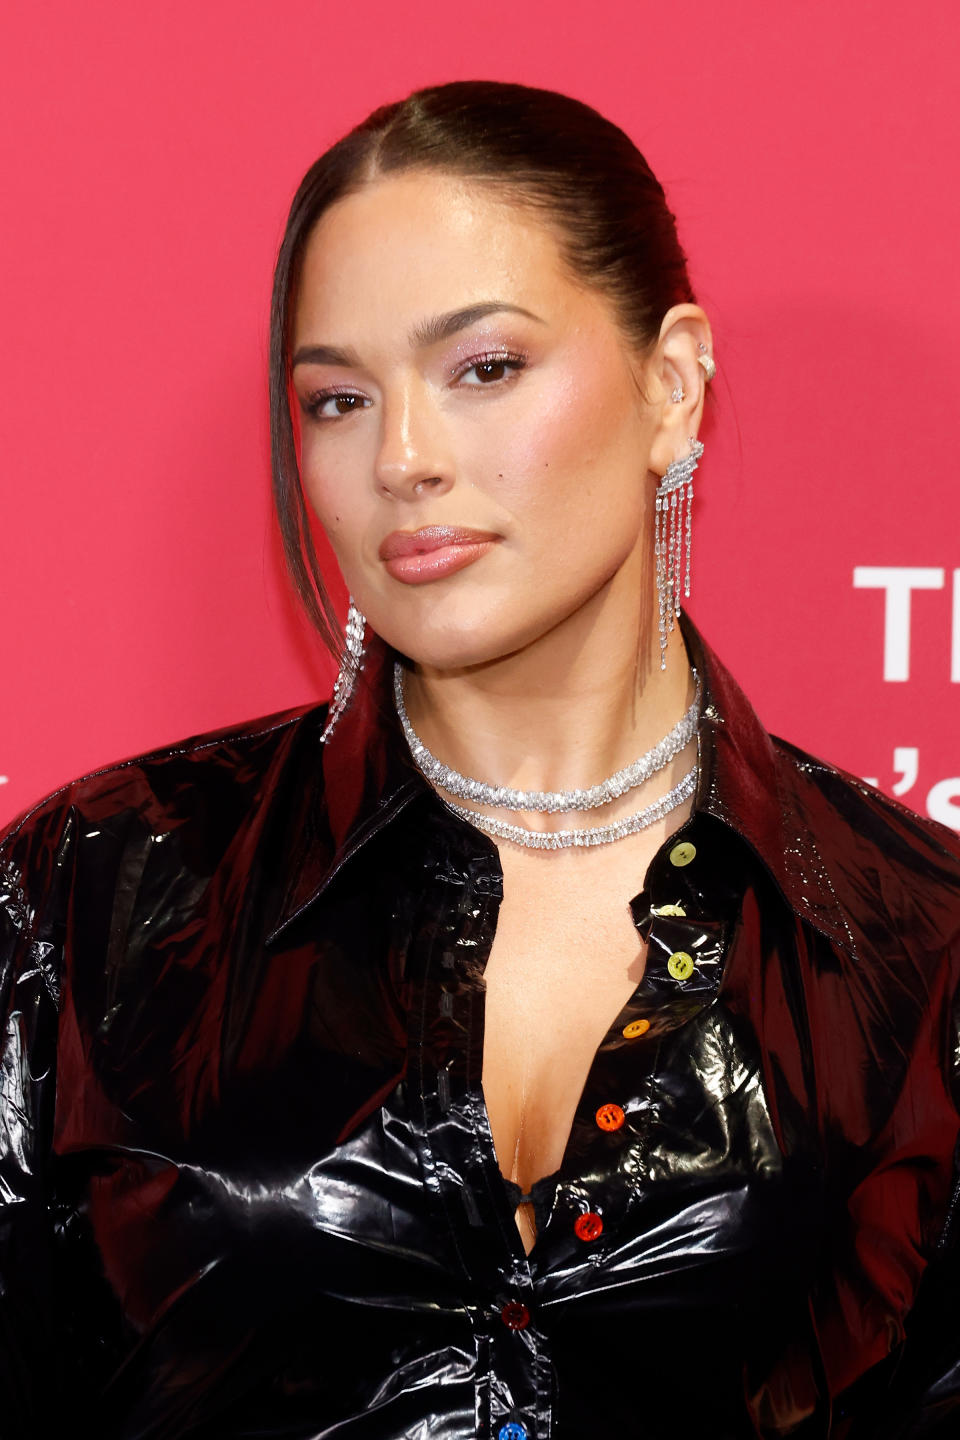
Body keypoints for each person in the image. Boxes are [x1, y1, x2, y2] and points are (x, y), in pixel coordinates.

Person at [1, 79, 959, 1440]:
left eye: (484, 369)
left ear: (672, 385)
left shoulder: (920, 947)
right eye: (336, 399)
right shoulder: (88, 893)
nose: (402, 457)